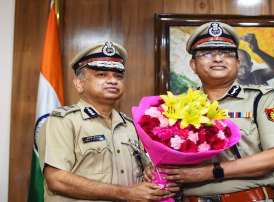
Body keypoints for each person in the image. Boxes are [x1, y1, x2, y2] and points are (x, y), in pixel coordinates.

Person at [158, 22, 274, 202]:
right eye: (207, 53)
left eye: (227, 53)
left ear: (237, 63)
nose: (218, 59)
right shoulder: (178, 106)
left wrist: (210, 172)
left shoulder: (261, 99)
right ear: (193, 65)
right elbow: (164, 160)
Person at [38, 41, 176, 201]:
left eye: (118, 75)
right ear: (79, 83)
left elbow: (145, 171)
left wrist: (150, 174)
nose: (113, 80)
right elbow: (56, 180)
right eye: (101, 74)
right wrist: (126, 193)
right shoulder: (63, 122)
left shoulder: (132, 126)